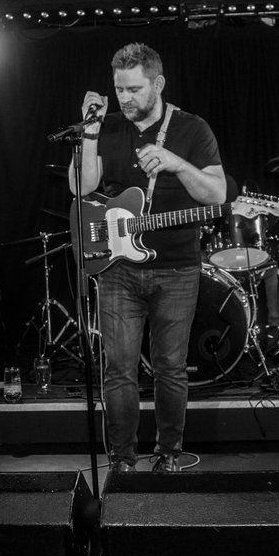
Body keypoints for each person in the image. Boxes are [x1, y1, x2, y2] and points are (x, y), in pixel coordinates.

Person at [69, 43, 226, 474]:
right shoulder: (108, 127)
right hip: (117, 268)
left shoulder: (192, 129)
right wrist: (90, 131)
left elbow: (216, 194)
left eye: (134, 89)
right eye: (119, 89)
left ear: (157, 84)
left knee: (170, 368)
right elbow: (82, 188)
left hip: (177, 267)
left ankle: (168, 454)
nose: (125, 98)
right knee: (118, 369)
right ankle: (122, 461)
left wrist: (177, 164)